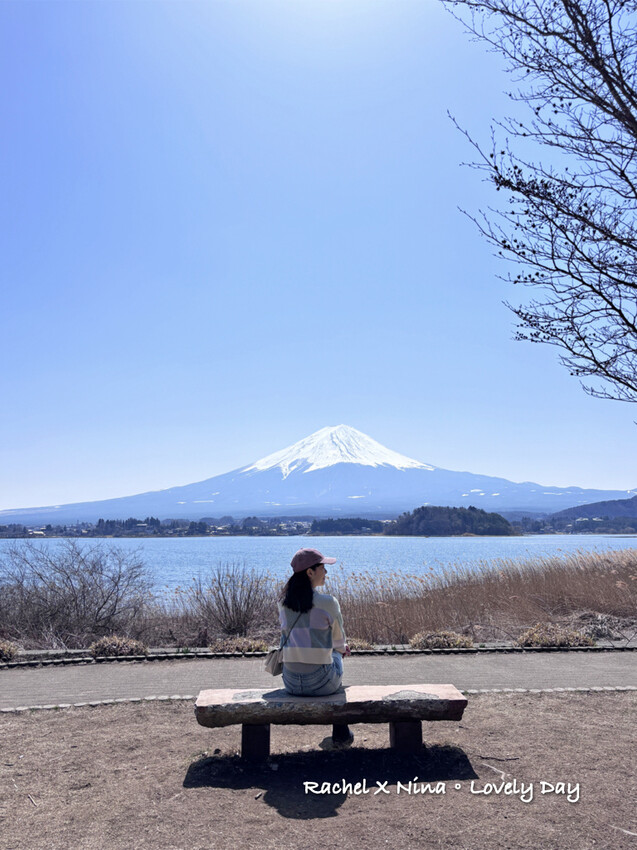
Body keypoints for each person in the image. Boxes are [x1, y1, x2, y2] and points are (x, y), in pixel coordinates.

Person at [278, 547, 353, 748]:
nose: (326, 573)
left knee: (333, 654)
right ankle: (341, 733)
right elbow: (338, 642)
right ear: (310, 572)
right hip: (322, 682)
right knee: (337, 655)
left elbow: (283, 638)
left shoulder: (283, 604)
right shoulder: (328, 603)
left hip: (291, 682)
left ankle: (342, 732)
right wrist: (343, 649)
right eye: (323, 568)